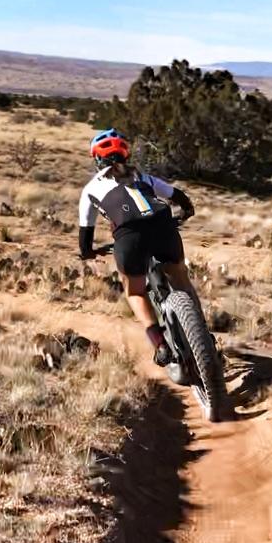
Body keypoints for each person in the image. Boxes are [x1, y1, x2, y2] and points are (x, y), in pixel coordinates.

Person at [77, 128, 198, 368]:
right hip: (164, 227)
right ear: (125, 155)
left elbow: (85, 237)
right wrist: (185, 213)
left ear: (97, 159)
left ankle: (160, 345)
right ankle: (200, 330)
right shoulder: (143, 176)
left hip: (129, 238)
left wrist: (90, 253)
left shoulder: (90, 189)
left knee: (135, 292)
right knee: (181, 277)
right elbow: (178, 196)